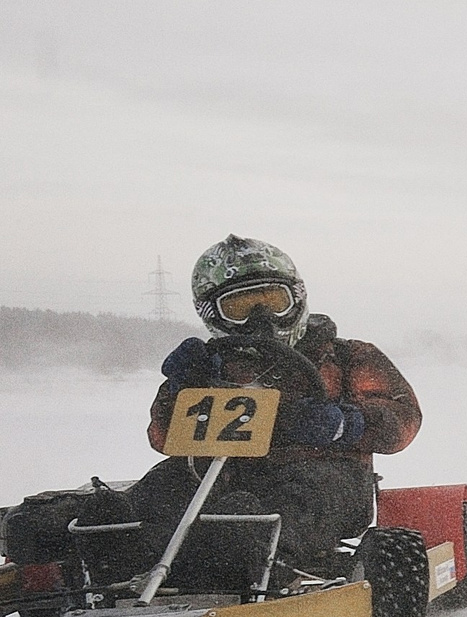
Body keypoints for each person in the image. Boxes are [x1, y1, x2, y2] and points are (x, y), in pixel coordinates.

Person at [2, 236, 423, 592]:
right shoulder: (211, 366)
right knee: (142, 501)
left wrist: (346, 423)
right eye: (241, 307)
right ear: (212, 314)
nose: (262, 318)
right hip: (211, 474)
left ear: (296, 298)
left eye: (272, 301)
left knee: (246, 520)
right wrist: (183, 388)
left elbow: (403, 417)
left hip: (320, 477)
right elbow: (163, 436)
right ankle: (109, 551)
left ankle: (237, 560)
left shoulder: (346, 357)